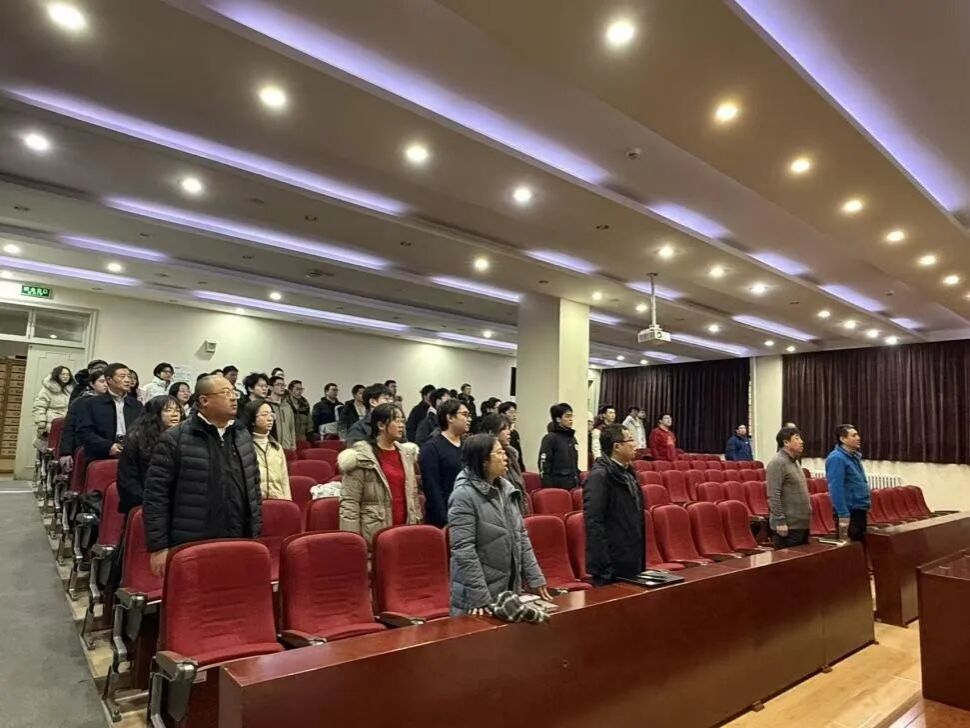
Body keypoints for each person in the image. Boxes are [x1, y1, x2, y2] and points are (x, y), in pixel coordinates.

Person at [143, 374, 261, 577]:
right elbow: (156, 496)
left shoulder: (242, 435)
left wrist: (255, 533)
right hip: (192, 539)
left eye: (233, 392)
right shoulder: (175, 439)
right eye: (225, 393)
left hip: (239, 535)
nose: (233, 397)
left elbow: (254, 488)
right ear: (204, 400)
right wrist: (159, 547)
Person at [448, 433, 550, 616]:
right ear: (483, 461)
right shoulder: (463, 496)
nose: (505, 458)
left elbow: (521, 536)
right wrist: (480, 597)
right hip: (476, 597)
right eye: (499, 453)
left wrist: (535, 577)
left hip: (509, 589)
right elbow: (464, 550)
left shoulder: (507, 490)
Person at [338, 403, 421, 546]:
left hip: (405, 528)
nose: (401, 425)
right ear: (381, 425)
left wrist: (417, 522)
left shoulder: (406, 455)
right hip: (375, 531)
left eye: (403, 421)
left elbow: (413, 496)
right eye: (397, 421)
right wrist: (352, 541)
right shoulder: (361, 457)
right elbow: (349, 503)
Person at [584, 424, 644, 585]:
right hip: (610, 565)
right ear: (617, 447)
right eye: (630, 440)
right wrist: (604, 566)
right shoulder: (600, 476)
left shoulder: (629, 473)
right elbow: (594, 523)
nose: (635, 444)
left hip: (631, 557)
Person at [117, 395, 183, 514]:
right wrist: (151, 502)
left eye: (177, 411)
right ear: (155, 414)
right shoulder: (137, 438)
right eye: (168, 410)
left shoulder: (184, 437)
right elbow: (128, 479)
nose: (175, 414)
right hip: (145, 501)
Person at [77, 363, 144, 460]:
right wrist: (108, 446)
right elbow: (84, 432)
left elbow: (143, 431)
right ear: (109, 380)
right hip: (101, 455)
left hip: (130, 455)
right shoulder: (92, 404)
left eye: (129, 377)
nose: (127, 380)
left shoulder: (136, 405)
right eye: (122, 376)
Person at [419, 399, 470, 527]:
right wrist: (445, 519)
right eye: (464, 415)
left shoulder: (468, 446)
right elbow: (432, 488)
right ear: (450, 418)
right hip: (444, 518)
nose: (469, 419)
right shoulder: (432, 448)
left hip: (468, 512)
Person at [766, 427, 811, 549]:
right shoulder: (777, 462)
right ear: (786, 442)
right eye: (797, 438)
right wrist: (780, 521)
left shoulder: (795, 461)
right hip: (787, 527)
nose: (801, 442)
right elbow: (773, 495)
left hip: (801, 525)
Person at [826, 424, 870, 543]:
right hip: (849, 512)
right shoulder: (836, 458)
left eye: (857, 435)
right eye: (854, 435)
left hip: (859, 509)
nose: (858, 438)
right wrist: (843, 514)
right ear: (843, 439)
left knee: (861, 546)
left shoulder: (854, 456)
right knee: (851, 548)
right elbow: (835, 489)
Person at [240, 399, 290, 500]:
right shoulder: (243, 446)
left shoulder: (276, 447)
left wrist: (287, 502)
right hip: (255, 503)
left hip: (278, 501)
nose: (270, 419)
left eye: (271, 415)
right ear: (252, 420)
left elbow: (285, 482)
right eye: (264, 415)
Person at [59, 369, 107, 472]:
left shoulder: (114, 402)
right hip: (84, 445)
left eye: (108, 381)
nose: (106, 385)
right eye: (102, 381)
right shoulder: (80, 402)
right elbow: (69, 428)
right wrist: (66, 452)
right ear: (92, 384)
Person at [479, 413, 528, 515]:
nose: (509, 432)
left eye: (508, 428)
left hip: (517, 510)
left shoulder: (512, 455)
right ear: (491, 432)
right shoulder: (485, 458)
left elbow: (519, 487)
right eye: (504, 429)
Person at [31, 365, 73, 453]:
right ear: (57, 375)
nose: (66, 377)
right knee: (46, 451)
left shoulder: (69, 390)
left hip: (64, 425)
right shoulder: (47, 390)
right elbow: (39, 407)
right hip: (50, 424)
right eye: (63, 374)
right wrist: (41, 424)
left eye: (68, 375)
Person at [538, 403, 579, 489]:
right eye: (567, 416)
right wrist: (548, 487)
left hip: (573, 485)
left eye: (571, 416)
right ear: (558, 419)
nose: (571, 419)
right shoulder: (550, 438)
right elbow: (544, 466)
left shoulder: (572, 439)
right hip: (557, 486)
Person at [264, 376, 296, 450]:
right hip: (271, 447)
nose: (282, 387)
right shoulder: (266, 404)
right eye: (278, 385)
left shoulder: (287, 406)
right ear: (271, 387)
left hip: (287, 447)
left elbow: (291, 427)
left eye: (283, 385)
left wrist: (293, 444)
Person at [498, 401, 525, 471]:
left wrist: (522, 469)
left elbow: (519, 454)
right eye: (511, 412)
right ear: (502, 414)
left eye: (515, 412)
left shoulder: (514, 433)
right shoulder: (498, 432)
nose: (514, 415)